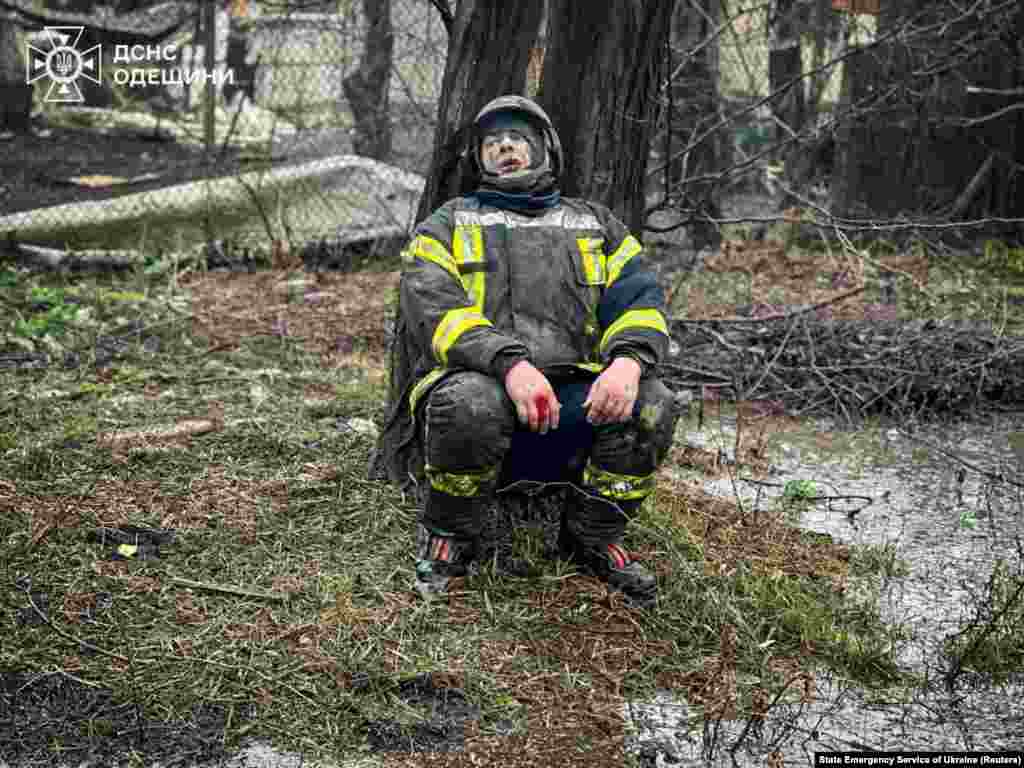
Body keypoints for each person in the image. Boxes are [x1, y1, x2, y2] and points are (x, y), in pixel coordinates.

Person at [375, 95, 680, 607]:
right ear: (479, 159)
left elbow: (641, 303)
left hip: (575, 400)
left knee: (653, 405)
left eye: (519, 138)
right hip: (479, 392)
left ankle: (594, 537)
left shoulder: (597, 225)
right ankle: (451, 535)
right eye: (493, 143)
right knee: (470, 403)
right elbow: (434, 310)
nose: (506, 148)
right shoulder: (447, 224)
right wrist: (509, 364)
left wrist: (628, 363)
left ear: (547, 150)